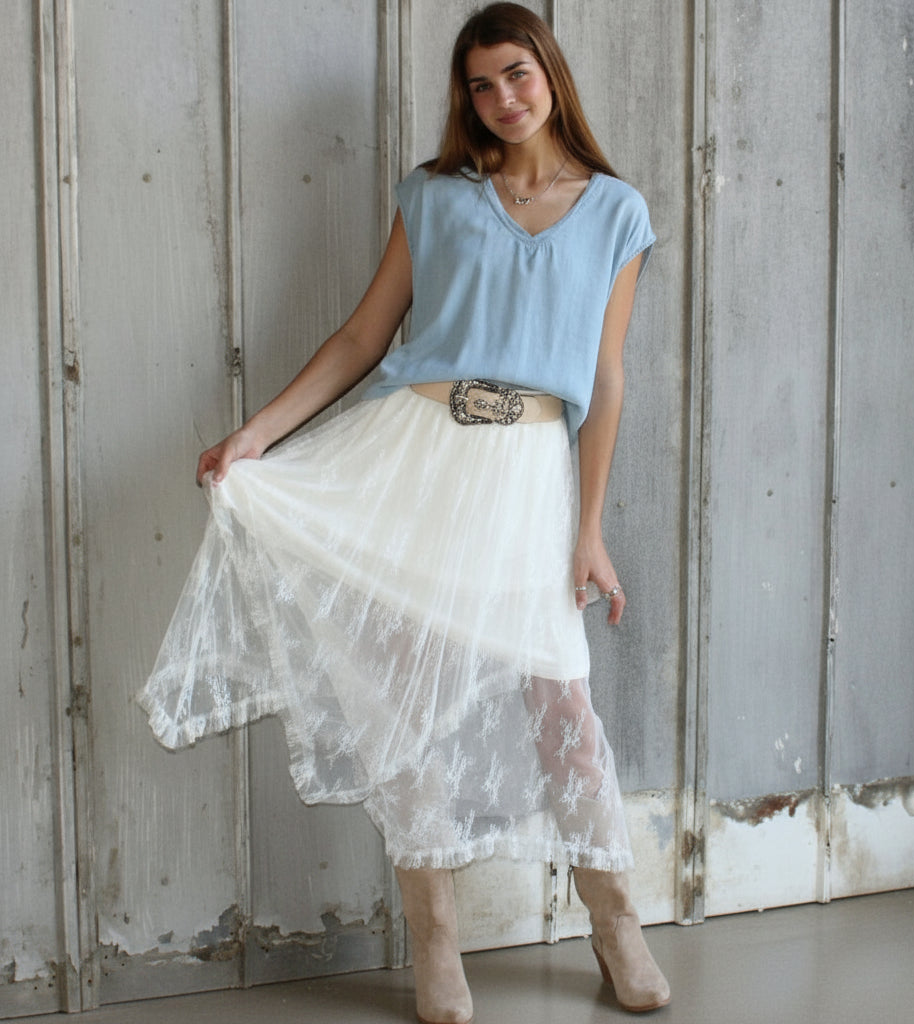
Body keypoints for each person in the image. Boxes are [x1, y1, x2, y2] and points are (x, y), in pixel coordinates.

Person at [140, 3, 669, 1021]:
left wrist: (588, 527)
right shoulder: (435, 197)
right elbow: (360, 340)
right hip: (410, 456)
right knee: (400, 706)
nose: (501, 98)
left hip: (525, 479)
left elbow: (604, 381)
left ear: (549, 72)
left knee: (559, 704)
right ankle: (435, 940)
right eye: (479, 84)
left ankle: (615, 923)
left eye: (516, 73)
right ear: (463, 97)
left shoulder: (615, 212)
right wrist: (257, 435)